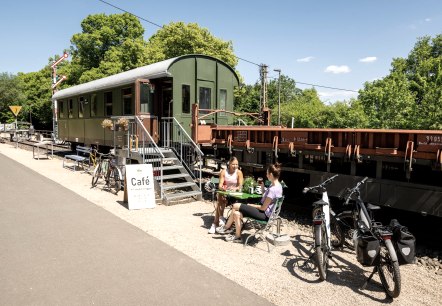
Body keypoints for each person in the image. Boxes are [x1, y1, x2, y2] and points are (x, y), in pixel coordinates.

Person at [216, 163, 283, 242]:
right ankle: (238, 237)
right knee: (236, 213)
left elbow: (263, 207)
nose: (266, 175)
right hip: (267, 213)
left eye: (267, 173)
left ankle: (226, 227)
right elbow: (268, 198)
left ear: (271, 174)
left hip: (263, 214)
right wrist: (262, 188)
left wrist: (251, 205)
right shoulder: (278, 186)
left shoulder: (273, 189)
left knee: (236, 205)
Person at [208, 157, 243, 234]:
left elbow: (240, 185)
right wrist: (223, 188)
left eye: (236, 164)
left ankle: (216, 223)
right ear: (229, 164)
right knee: (220, 195)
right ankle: (220, 219)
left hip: (234, 196)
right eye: (233, 164)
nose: (235, 166)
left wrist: (236, 188)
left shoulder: (239, 172)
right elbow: (220, 185)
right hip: (225, 193)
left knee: (219, 203)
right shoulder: (224, 172)